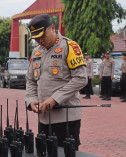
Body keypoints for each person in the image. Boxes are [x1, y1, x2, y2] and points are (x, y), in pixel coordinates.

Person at [25, 14, 87, 150]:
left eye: (42, 36)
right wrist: (31, 99)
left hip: (66, 119)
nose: (39, 41)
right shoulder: (36, 52)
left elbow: (81, 78)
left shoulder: (69, 46)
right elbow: (30, 80)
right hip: (44, 119)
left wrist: (55, 99)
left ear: (53, 28)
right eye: (36, 38)